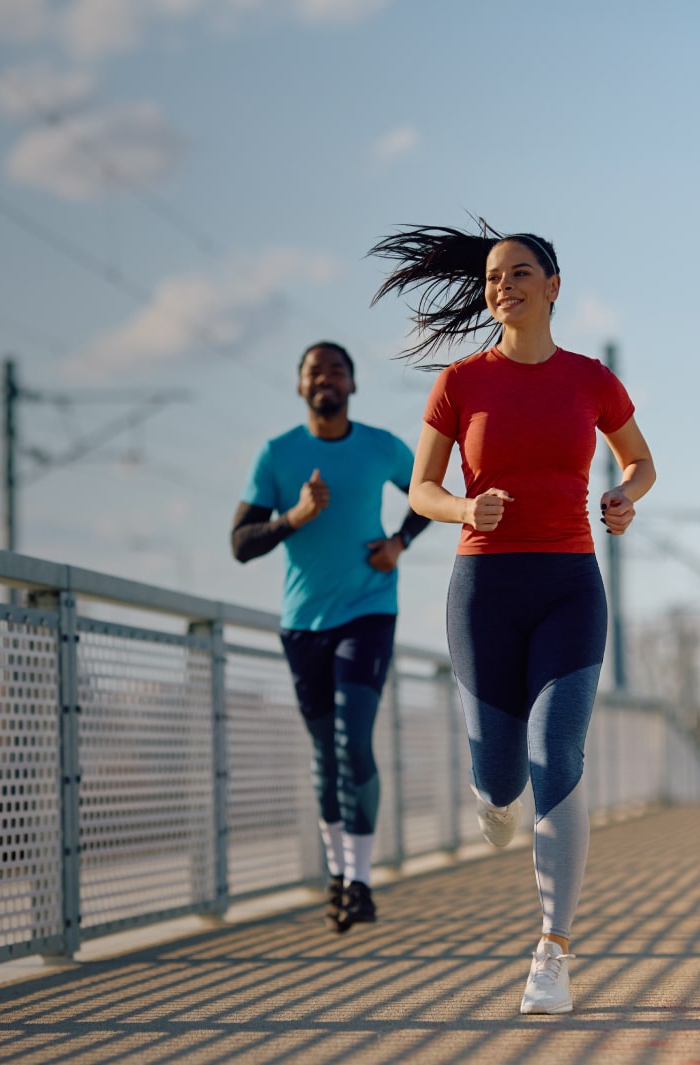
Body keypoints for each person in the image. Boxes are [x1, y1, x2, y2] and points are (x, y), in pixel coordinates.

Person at [372, 224, 655, 1014]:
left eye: (521, 272)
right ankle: (492, 799)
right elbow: (421, 488)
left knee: (553, 748)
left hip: (570, 582)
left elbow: (641, 459)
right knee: (499, 772)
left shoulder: (591, 380)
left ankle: (551, 952)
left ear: (554, 286)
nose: (504, 286)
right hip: (485, 589)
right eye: (495, 277)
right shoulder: (461, 383)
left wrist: (626, 496)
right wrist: (466, 505)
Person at [232, 340, 431, 934]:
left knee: (351, 740)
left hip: (368, 611)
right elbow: (239, 545)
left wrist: (400, 543)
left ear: (352, 385)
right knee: (325, 755)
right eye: (315, 371)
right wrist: (293, 518)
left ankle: (363, 881)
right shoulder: (278, 454)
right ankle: (339, 875)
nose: (327, 378)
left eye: (337, 369)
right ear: (300, 386)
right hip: (303, 623)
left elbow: (426, 488)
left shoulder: (378, 447)